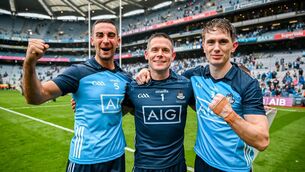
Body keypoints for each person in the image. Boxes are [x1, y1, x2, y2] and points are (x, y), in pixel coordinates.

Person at [136, 18, 269, 171]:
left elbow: (262, 141)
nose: (216, 48)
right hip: (202, 163)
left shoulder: (248, 84)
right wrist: (147, 71)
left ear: (234, 46)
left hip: (234, 168)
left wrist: (230, 116)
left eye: (223, 42)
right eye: (211, 42)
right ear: (203, 47)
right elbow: (167, 78)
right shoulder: (193, 77)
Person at [22, 19, 131, 172]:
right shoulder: (78, 72)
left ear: (118, 41)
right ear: (92, 40)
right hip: (85, 160)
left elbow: (130, 107)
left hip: (117, 157)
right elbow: (36, 97)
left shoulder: (125, 78)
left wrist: (146, 73)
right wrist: (29, 63)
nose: (106, 40)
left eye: (111, 35)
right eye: (100, 35)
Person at [125, 33, 194, 171]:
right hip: (144, 166)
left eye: (165, 50)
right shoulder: (133, 87)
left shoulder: (186, 85)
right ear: (146, 54)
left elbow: (207, 112)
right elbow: (112, 112)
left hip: (176, 166)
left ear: (173, 56)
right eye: (155, 50)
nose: (160, 54)